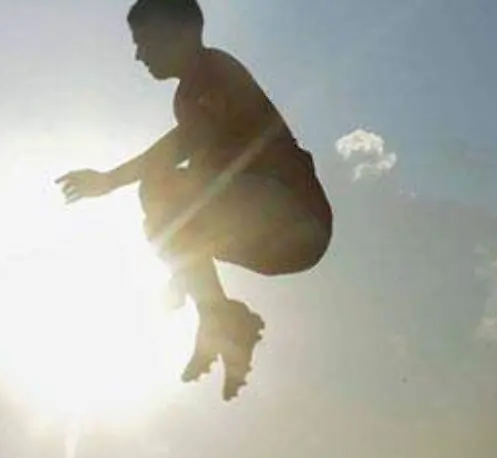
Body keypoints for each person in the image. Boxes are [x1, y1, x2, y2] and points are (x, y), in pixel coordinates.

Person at [55, 0, 333, 401]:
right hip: (277, 245)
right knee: (161, 214)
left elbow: (184, 143)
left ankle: (218, 318)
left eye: (144, 42)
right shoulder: (187, 96)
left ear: (179, 33)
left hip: (295, 212)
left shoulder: (214, 70)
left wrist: (109, 180)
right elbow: (192, 200)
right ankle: (222, 319)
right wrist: (183, 269)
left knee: (158, 188)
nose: (138, 55)